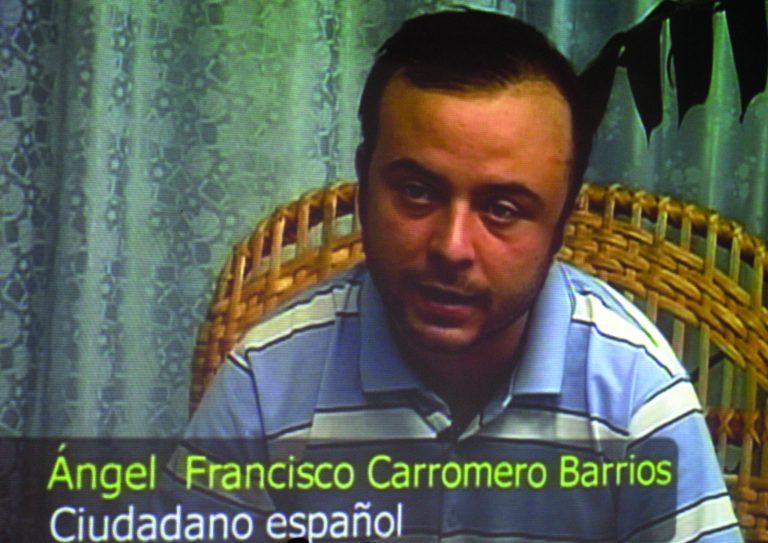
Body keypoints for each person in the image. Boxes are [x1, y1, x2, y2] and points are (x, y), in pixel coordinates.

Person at [177, 9, 741, 542]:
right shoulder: (267, 383)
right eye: (417, 192)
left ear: (561, 223)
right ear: (364, 183)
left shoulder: (634, 389)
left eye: (502, 209)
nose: (451, 247)